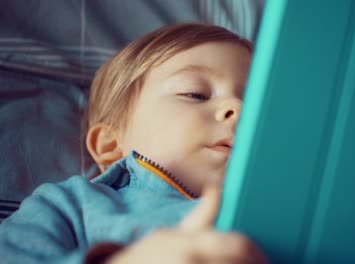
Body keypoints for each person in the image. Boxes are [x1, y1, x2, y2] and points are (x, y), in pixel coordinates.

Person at [0, 23, 268, 264]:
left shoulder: (279, 207)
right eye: (195, 94)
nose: (239, 108)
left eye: (256, 106)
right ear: (110, 145)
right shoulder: (72, 203)